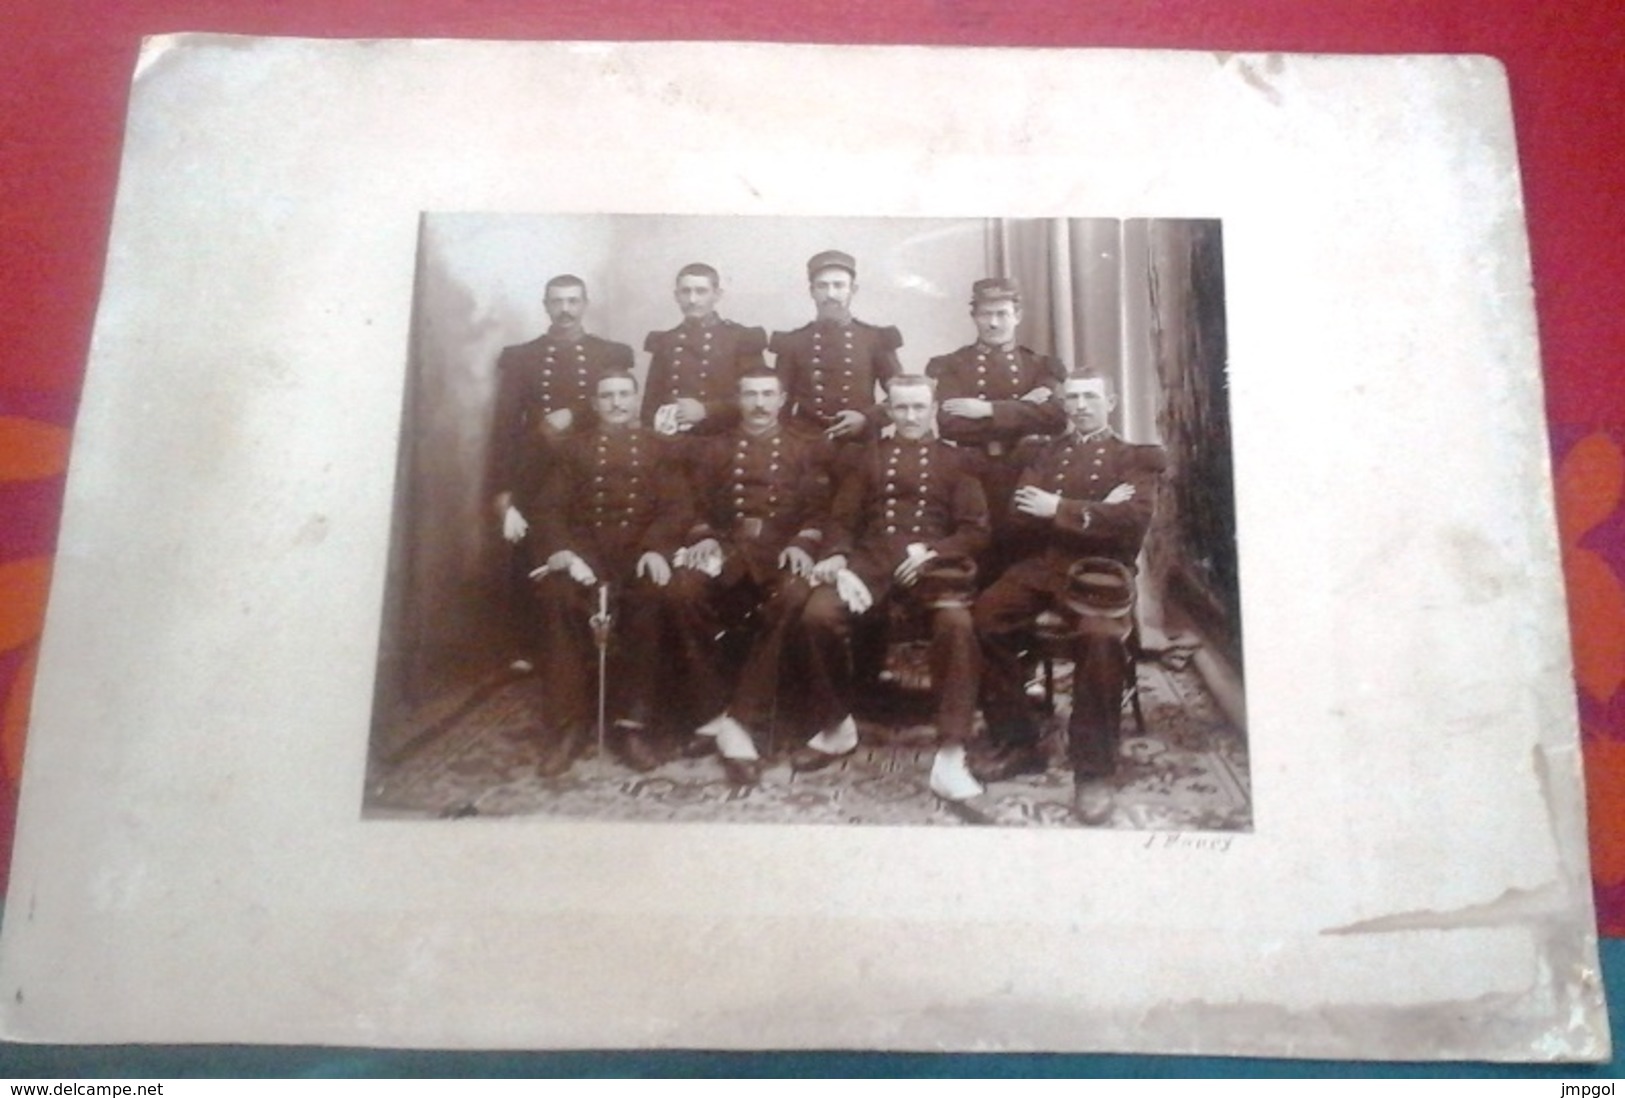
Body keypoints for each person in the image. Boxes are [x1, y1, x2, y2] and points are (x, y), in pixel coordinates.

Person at [970, 371, 1167, 824]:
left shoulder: (1136, 458)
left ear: (1111, 402)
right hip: (1042, 565)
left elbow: (1132, 522)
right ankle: (1019, 740)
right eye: (1072, 398)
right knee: (982, 619)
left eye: (1090, 397)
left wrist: (1058, 506)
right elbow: (1020, 516)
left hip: (1102, 571)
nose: (1080, 406)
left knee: (1099, 638)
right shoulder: (1043, 452)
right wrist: (1099, 506)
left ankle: (1093, 769)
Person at [788, 374, 991, 804]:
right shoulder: (866, 459)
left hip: (933, 569)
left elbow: (975, 530)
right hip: (870, 564)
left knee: (956, 624)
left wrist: (934, 551)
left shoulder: (957, 461)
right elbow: (842, 518)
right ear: (889, 410)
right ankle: (835, 725)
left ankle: (952, 753)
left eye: (919, 407)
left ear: (933, 409)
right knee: (816, 615)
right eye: (901, 408)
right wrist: (838, 556)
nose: (910, 416)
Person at [664, 368, 836, 785]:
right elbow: (694, 505)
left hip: (782, 550)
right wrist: (702, 536)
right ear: (738, 400)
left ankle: (741, 722)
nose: (759, 404)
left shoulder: (807, 447)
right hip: (728, 548)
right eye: (750, 394)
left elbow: (820, 512)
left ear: (781, 400)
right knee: (682, 590)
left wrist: (804, 543)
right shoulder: (714, 448)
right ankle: (713, 711)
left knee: (794, 597)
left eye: (767, 395)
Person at [519, 369, 690, 778]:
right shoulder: (573, 451)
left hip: (638, 556)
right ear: (594, 404)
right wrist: (564, 552)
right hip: (586, 557)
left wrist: (656, 549)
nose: (616, 403)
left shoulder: (660, 448)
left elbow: (678, 507)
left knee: (652, 598)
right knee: (558, 597)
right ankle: (569, 727)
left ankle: (631, 726)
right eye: (607, 396)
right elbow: (549, 509)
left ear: (636, 400)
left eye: (623, 395)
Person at [488, 275, 636, 666]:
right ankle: (531, 646)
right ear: (545, 305)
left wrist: (577, 412)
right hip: (536, 467)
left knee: (593, 543)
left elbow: (620, 403)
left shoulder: (609, 352)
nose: (565, 309)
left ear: (586, 303)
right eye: (557, 301)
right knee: (531, 550)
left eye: (573, 301)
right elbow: (504, 427)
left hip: (593, 464)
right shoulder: (523, 357)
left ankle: (595, 636)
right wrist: (502, 492)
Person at [925, 277, 1068, 572]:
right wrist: (1025, 408)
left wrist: (987, 409)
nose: (993, 323)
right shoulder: (954, 365)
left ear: (1017, 316)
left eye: (1001, 313)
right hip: (972, 472)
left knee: (1024, 549)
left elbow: (1056, 418)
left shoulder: (1040, 365)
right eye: (986, 314)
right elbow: (950, 424)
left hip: (1026, 470)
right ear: (974, 317)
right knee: (977, 549)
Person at [769, 250, 904, 443]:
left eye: (839, 285)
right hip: (804, 445)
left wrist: (867, 418)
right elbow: (780, 403)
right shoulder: (793, 342)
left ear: (853, 290)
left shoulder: (874, 338)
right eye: (822, 286)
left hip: (861, 446)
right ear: (812, 291)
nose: (830, 294)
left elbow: (901, 395)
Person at [641, 263, 768, 439]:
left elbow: (758, 398)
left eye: (701, 291)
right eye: (686, 291)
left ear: (717, 295)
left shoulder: (740, 338)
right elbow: (650, 404)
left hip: (726, 441)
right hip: (674, 444)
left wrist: (706, 410)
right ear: (676, 296)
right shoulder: (666, 342)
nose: (692, 300)